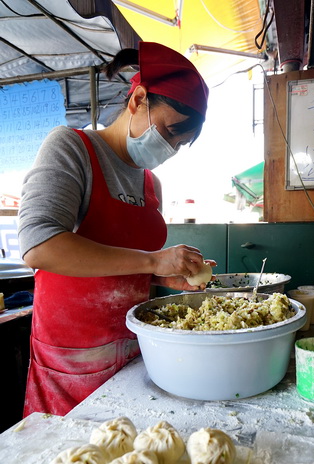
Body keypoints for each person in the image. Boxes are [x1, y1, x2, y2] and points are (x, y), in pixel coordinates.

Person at [18, 41, 215, 418]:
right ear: (138, 99)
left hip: (135, 356)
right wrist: (154, 260)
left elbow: (131, 266)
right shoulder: (71, 148)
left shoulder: (150, 184)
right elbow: (39, 245)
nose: (171, 147)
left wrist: (162, 278)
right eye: (170, 131)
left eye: (180, 143)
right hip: (72, 361)